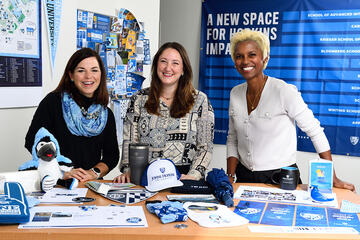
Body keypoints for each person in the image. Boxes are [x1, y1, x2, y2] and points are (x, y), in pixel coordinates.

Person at [226, 29, 355, 191]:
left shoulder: (283, 91)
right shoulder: (235, 93)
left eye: (252, 54)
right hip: (244, 176)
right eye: (239, 56)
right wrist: (229, 176)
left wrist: (332, 177)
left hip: (281, 179)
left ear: (264, 58)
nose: (245, 61)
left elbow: (315, 131)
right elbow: (233, 138)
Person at [114, 42, 214, 183]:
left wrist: (194, 175)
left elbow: (205, 147)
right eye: (163, 62)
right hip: (145, 179)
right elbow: (129, 140)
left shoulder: (199, 100)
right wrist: (128, 170)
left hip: (184, 179)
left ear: (183, 69)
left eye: (175, 63)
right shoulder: (139, 99)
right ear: (156, 66)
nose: (168, 68)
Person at [25, 48, 119, 182]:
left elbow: (112, 155)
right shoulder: (52, 102)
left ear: (101, 75)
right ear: (71, 75)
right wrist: (63, 171)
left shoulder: (105, 114)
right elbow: (33, 142)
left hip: (91, 184)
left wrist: (93, 173)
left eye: (94, 70)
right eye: (81, 71)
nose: (88, 76)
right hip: (56, 182)